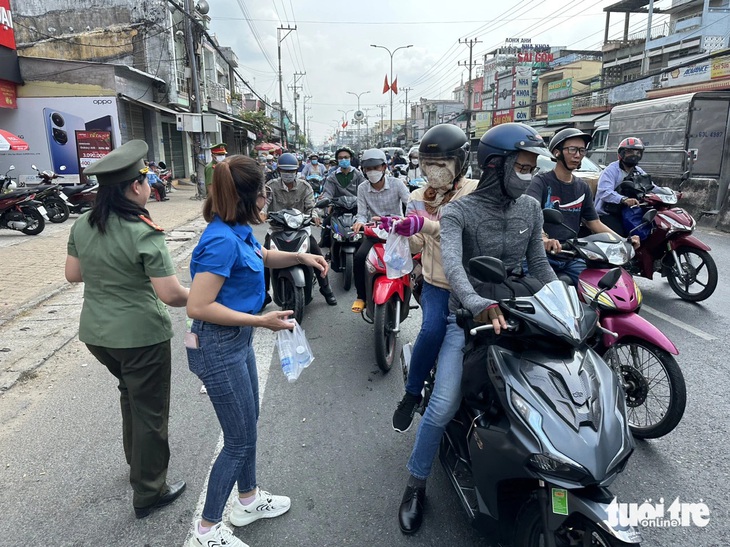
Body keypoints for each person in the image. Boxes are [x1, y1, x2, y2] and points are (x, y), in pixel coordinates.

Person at [397, 123, 557, 535]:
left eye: (531, 167)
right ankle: (416, 484)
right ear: (495, 165)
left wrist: (567, 301)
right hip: (464, 317)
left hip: (520, 314)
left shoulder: (531, 209)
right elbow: (452, 265)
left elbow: (540, 267)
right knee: (445, 402)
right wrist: (476, 304)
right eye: (521, 166)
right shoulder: (458, 211)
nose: (529, 174)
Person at [185, 155, 329, 547]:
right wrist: (260, 322)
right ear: (247, 196)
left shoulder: (237, 230)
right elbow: (198, 306)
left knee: (247, 427)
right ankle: (207, 529)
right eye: (263, 189)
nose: (268, 195)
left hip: (236, 342)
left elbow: (262, 256)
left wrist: (301, 256)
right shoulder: (218, 240)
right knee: (238, 441)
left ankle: (247, 500)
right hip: (218, 346)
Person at [64, 140, 190, 519]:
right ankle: (149, 490)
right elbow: (170, 295)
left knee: (130, 396)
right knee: (150, 410)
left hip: (98, 336)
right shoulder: (143, 231)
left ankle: (137, 465)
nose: (150, 185)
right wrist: (203, 294)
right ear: (134, 187)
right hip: (141, 336)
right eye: (147, 179)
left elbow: (73, 275)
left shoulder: (83, 224)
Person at [384, 124, 478, 433]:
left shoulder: (474, 192)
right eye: (430, 165)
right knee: (432, 329)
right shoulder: (417, 196)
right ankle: (411, 395)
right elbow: (417, 245)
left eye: (442, 164)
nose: (434, 172)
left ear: (459, 163)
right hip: (437, 284)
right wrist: (399, 230)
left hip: (475, 283)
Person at [525, 128, 638, 285]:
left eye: (582, 150)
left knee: (602, 290)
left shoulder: (582, 187)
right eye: (572, 150)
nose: (577, 155)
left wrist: (623, 241)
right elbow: (531, 215)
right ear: (557, 152)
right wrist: (543, 238)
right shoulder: (541, 182)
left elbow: (594, 223)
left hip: (571, 255)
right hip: (541, 256)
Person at [264, 152, 337, 306]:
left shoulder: (305, 187)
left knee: (317, 255)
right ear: (279, 171)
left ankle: (326, 289)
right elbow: (265, 202)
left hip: (301, 230)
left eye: (291, 171)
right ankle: (263, 294)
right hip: (277, 230)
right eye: (285, 171)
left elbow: (311, 206)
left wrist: (315, 216)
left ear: (296, 171)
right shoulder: (271, 186)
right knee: (262, 259)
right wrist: (262, 213)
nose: (288, 174)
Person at [350, 148, 410, 313]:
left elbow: (410, 205)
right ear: (363, 170)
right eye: (368, 169)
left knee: (414, 262)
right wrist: (359, 223)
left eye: (376, 167)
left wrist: (410, 221)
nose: (372, 172)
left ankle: (409, 291)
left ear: (384, 167)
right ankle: (361, 296)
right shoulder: (362, 188)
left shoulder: (397, 184)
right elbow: (361, 213)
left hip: (397, 233)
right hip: (375, 233)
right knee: (359, 258)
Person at [594, 137, 655, 235]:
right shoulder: (611, 170)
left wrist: (669, 193)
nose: (634, 155)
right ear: (621, 154)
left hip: (630, 212)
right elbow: (604, 192)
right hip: (608, 213)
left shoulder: (638, 171)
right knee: (620, 239)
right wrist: (624, 199)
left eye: (637, 152)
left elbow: (651, 186)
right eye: (630, 152)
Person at [319, 146, 365, 250]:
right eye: (340, 158)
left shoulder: (359, 175)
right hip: (338, 210)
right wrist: (326, 200)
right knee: (326, 223)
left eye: (346, 157)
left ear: (351, 159)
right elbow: (328, 193)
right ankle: (326, 246)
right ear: (337, 160)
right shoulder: (332, 177)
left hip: (356, 210)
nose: (343, 160)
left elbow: (364, 191)